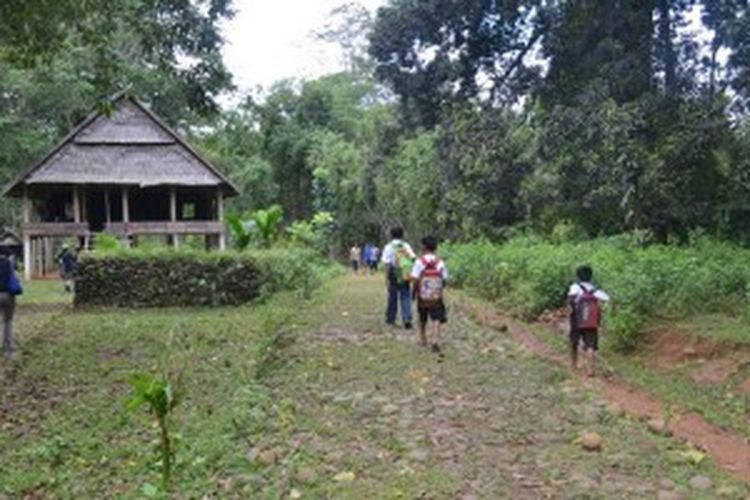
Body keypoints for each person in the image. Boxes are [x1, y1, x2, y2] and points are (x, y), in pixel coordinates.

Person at [568, 265, 610, 377]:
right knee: (590, 344)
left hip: (577, 319)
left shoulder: (575, 287)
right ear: (591, 277)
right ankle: (590, 370)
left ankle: (574, 364)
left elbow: (571, 298)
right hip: (591, 321)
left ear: (577, 276)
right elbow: (607, 299)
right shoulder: (595, 290)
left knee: (574, 341)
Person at [411, 235, 448, 358]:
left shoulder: (419, 261)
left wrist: (414, 292)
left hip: (423, 296)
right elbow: (445, 278)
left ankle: (423, 339)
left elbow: (415, 279)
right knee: (436, 317)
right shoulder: (440, 262)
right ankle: (435, 339)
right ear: (436, 248)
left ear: (423, 247)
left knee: (422, 316)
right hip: (436, 296)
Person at [381, 227, 415, 329]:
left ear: (391, 235)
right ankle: (407, 318)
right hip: (404, 273)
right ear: (402, 235)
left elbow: (386, 263)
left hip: (393, 272)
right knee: (405, 295)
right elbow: (413, 258)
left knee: (393, 296)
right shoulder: (406, 246)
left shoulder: (388, 247)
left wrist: (386, 277)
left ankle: (391, 318)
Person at [0, 252, 21, 358]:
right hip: (8, 295)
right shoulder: (9, 263)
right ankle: (7, 348)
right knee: (7, 322)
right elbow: (16, 278)